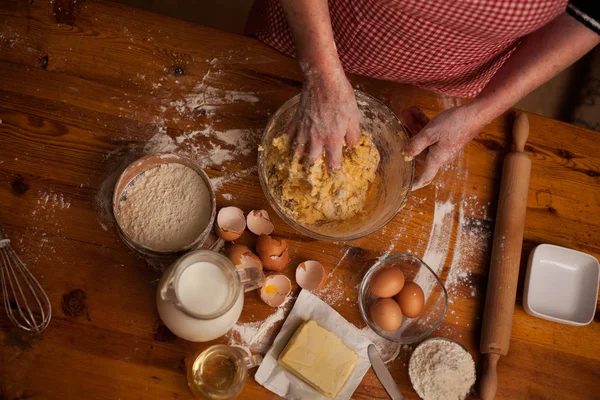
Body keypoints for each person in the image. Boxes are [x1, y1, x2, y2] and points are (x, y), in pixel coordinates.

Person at [246, 0, 600, 190]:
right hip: (312, 34)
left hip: (450, 80)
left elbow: (587, 17)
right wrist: (321, 74)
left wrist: (478, 113)